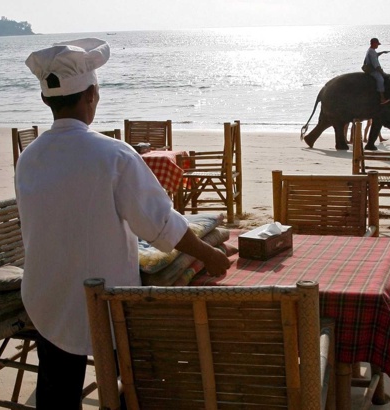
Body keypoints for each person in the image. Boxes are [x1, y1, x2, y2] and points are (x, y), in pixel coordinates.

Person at [19, 38, 231, 409]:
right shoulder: (114, 154)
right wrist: (210, 255)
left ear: (44, 100)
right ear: (92, 96)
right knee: (142, 382)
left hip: (46, 298)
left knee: (57, 393)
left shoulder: (29, 156)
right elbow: (160, 224)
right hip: (106, 304)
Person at [364, 38, 390, 105]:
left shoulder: (371, 50)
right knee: (380, 79)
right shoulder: (372, 52)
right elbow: (376, 65)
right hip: (372, 70)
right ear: (374, 43)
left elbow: (375, 55)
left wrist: (382, 52)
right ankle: (382, 98)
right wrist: (382, 73)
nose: (377, 46)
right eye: (377, 44)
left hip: (371, 69)